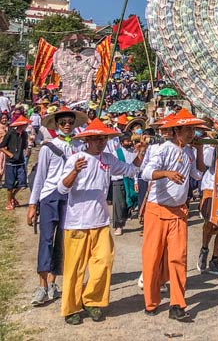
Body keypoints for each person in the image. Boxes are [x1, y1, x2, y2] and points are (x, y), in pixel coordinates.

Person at [57, 118, 144, 325]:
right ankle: (71, 308)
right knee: (74, 268)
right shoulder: (76, 158)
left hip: (101, 222)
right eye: (96, 138)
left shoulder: (108, 159)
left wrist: (140, 152)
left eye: (103, 138)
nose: (101, 142)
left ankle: (92, 300)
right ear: (87, 140)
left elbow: (131, 170)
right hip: (77, 223)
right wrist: (75, 171)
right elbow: (62, 188)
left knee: (104, 263)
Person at [140, 108, 206, 321]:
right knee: (152, 258)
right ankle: (151, 301)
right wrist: (166, 174)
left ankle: (177, 303)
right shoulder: (163, 149)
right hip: (157, 211)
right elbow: (146, 173)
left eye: (193, 129)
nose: (191, 133)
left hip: (179, 212)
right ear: (176, 130)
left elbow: (197, 174)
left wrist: (200, 150)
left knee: (179, 258)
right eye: (188, 129)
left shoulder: (189, 152)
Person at [27, 106, 88, 306]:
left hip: (70, 198)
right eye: (63, 123)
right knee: (46, 240)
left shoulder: (80, 146)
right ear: (56, 125)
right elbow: (41, 177)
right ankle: (42, 285)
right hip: (49, 197)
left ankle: (53, 281)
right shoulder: (48, 147)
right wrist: (32, 204)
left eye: (70, 122)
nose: (67, 125)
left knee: (63, 241)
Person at [197, 118, 218, 276]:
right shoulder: (210, 140)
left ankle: (215, 259)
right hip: (210, 185)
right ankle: (204, 248)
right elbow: (207, 161)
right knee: (209, 222)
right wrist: (213, 143)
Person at [1, 115, 31, 209]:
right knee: (10, 184)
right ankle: (9, 202)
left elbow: (26, 145)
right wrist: (9, 154)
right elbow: (1, 146)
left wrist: (27, 149)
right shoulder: (10, 133)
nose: (26, 126)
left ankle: (13, 197)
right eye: (25, 124)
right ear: (20, 125)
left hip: (21, 161)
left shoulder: (25, 134)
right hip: (11, 162)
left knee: (22, 182)